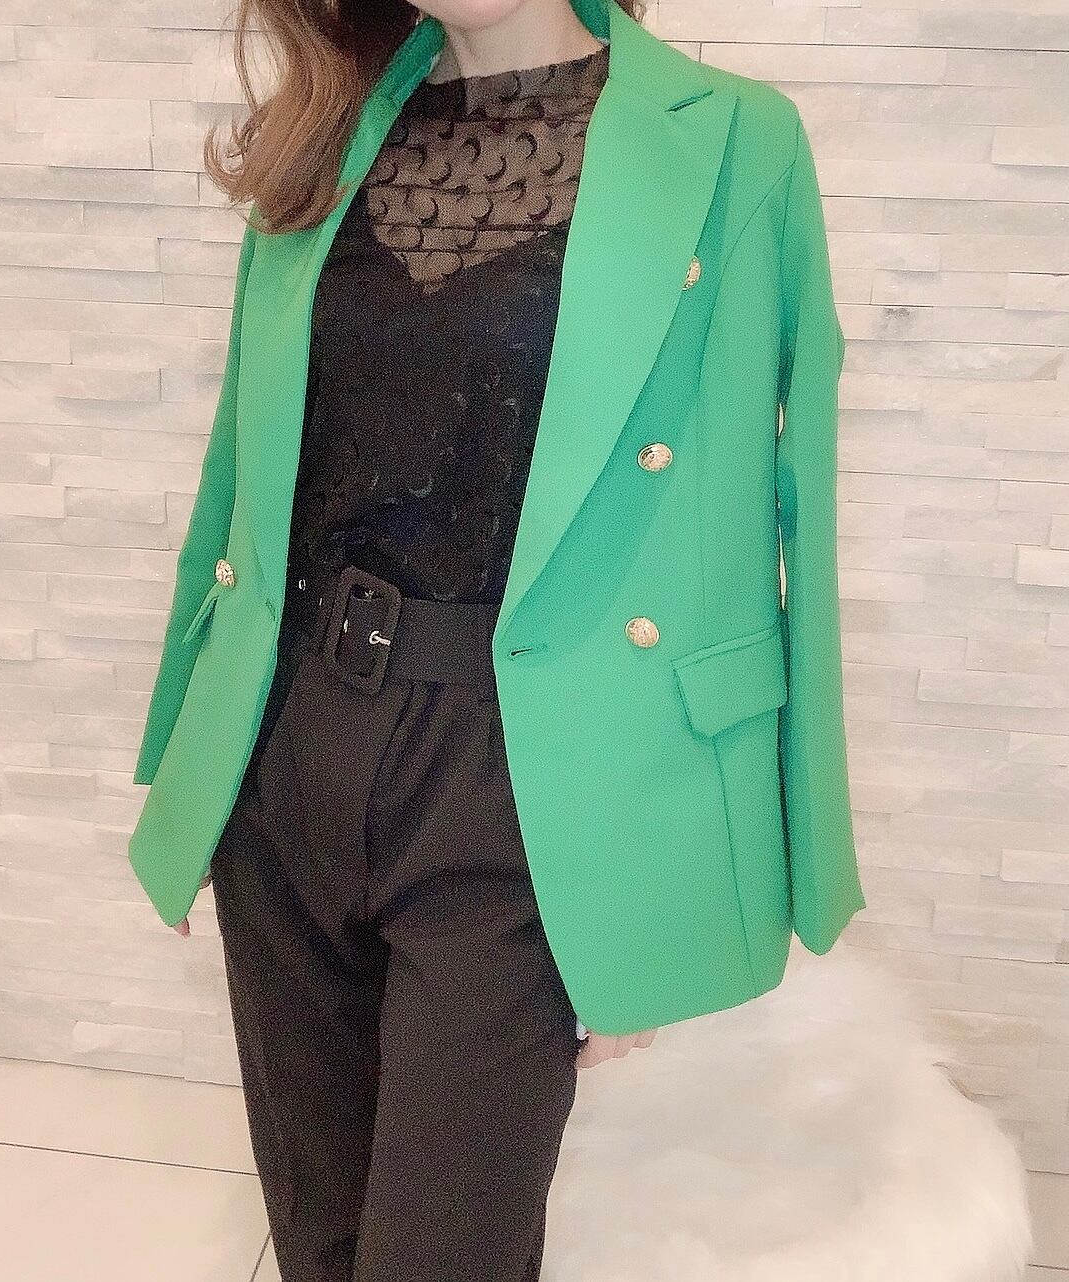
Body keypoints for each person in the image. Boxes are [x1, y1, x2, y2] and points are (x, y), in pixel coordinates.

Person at [127, 0, 865, 1277]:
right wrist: (193, 764)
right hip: (292, 741)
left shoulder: (737, 142)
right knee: (318, 1234)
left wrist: (652, 888)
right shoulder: (325, 134)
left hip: (529, 779)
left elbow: (777, 509)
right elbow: (241, 473)